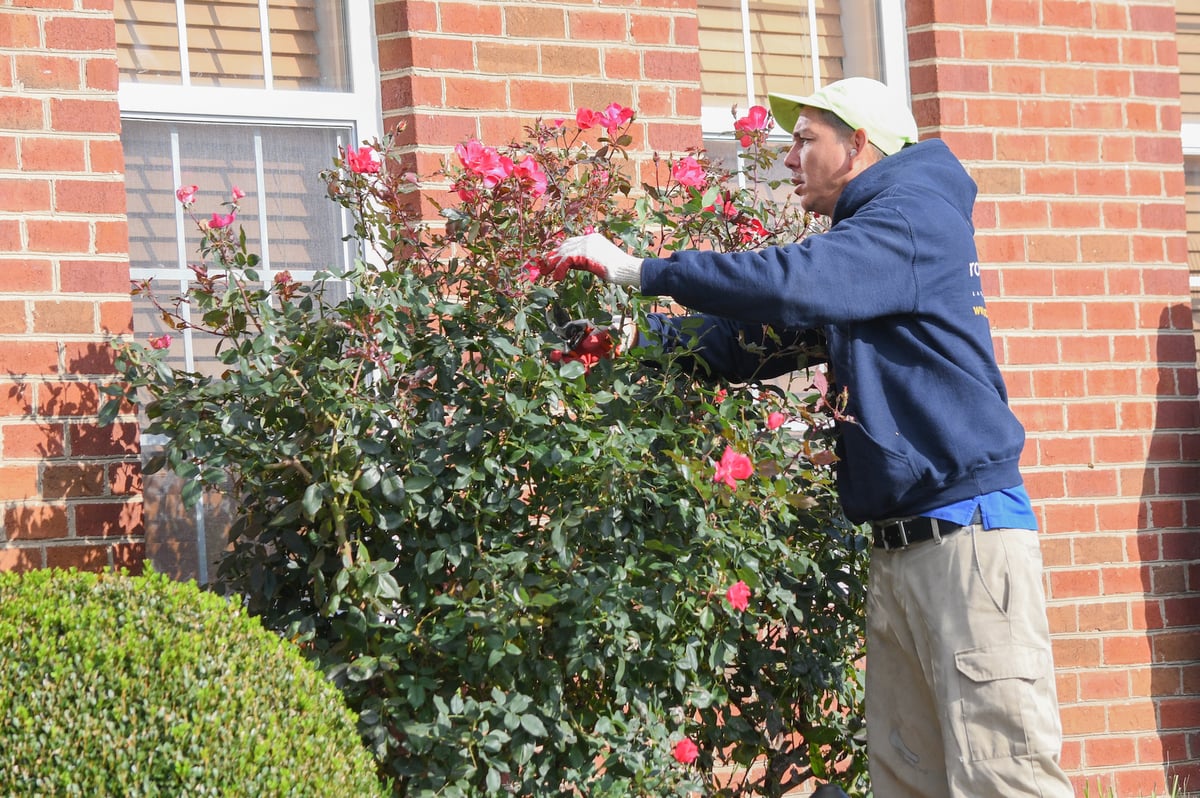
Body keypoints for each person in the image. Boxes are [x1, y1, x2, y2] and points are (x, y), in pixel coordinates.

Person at [551, 77, 1073, 798]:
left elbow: (793, 282)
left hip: (968, 545)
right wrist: (635, 339)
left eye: (805, 141)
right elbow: (753, 339)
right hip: (901, 550)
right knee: (908, 783)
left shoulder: (913, 215)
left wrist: (641, 270)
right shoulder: (868, 245)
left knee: (1004, 779)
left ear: (858, 145)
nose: (789, 159)